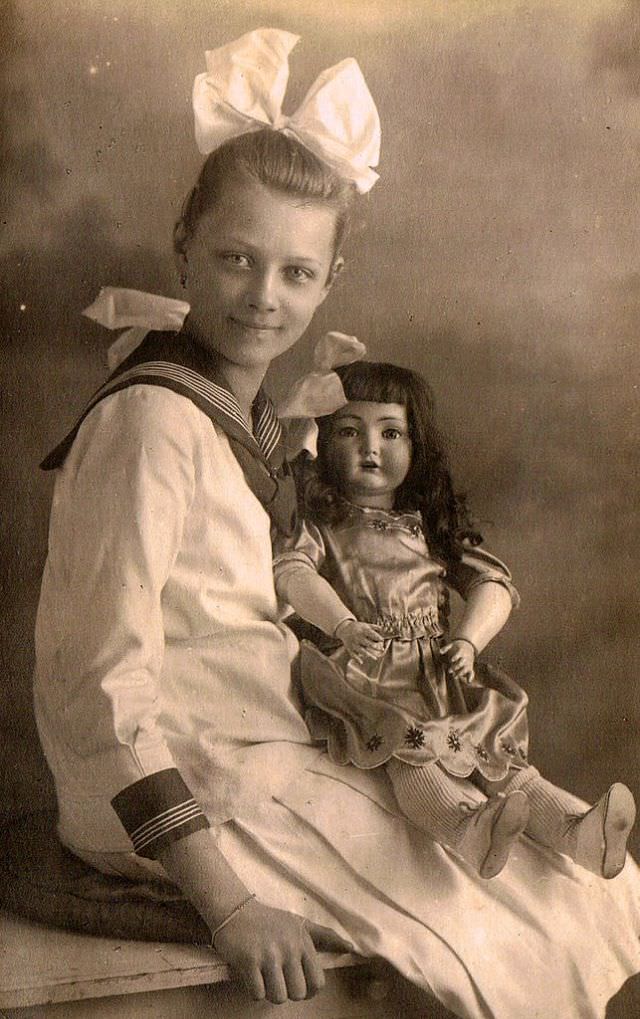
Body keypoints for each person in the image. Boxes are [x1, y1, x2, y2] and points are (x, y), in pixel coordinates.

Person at [33, 27, 640, 1019]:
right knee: (513, 927)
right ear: (184, 242)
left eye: (294, 273)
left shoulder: (233, 417)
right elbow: (98, 680)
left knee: (584, 887)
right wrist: (226, 901)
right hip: (171, 789)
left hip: (259, 750)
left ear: (330, 281)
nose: (262, 298)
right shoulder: (150, 421)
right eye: (234, 258)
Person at [273, 360, 636, 881]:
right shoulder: (323, 526)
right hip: (363, 671)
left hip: (435, 671)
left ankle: (576, 832)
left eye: (390, 432)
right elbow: (292, 573)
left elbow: (493, 585)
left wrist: (466, 641)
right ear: (323, 443)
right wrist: (343, 625)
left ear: (416, 446)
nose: (369, 447)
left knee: (497, 754)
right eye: (349, 431)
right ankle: (465, 828)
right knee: (406, 748)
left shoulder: (426, 530)